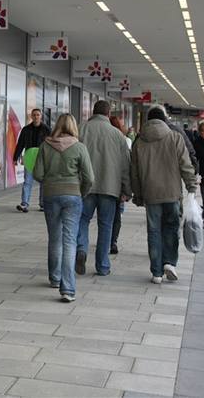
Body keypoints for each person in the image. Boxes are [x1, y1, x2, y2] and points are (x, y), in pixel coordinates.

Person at [131, 106, 197, 284]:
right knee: (171, 228)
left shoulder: (139, 141)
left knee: (153, 232)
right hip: (172, 193)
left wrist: (137, 195)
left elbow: (134, 172)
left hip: (151, 194)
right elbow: (185, 164)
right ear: (164, 120)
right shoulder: (175, 137)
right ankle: (169, 262)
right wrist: (191, 184)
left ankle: (156, 273)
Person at [34, 114, 94, 302]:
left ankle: (55, 278)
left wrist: (50, 183)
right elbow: (89, 177)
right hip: (73, 196)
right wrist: (80, 192)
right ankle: (68, 289)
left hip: (51, 195)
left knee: (55, 238)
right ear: (74, 127)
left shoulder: (45, 145)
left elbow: (37, 173)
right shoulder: (79, 147)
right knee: (69, 241)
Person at [76, 100, 131, 276]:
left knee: (82, 220)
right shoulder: (118, 135)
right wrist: (126, 189)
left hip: (85, 186)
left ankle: (82, 249)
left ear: (93, 112)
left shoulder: (81, 129)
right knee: (106, 225)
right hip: (110, 187)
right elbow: (125, 165)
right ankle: (103, 266)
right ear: (108, 114)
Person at [13, 108, 51, 212]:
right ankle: (24, 204)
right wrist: (15, 157)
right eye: (34, 115)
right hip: (29, 158)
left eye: (38, 115)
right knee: (27, 181)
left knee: (43, 182)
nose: (36, 117)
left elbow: (51, 144)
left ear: (41, 116)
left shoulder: (47, 129)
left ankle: (43, 204)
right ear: (31, 116)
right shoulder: (26, 129)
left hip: (42, 158)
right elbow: (20, 143)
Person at [109, 116, 132, 255]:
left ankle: (82, 245)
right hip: (117, 184)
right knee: (116, 214)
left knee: (104, 216)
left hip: (100, 183)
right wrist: (127, 190)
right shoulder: (123, 140)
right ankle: (113, 242)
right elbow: (126, 166)